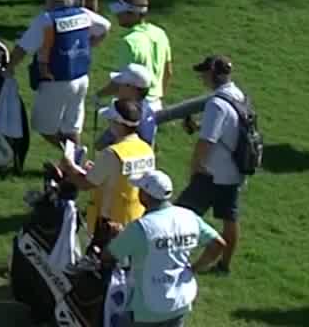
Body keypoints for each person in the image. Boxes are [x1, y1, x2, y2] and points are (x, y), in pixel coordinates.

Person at [102, 172, 228, 325]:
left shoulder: (141, 227)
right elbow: (218, 244)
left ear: (146, 196)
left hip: (146, 308)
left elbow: (109, 256)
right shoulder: (188, 216)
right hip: (180, 301)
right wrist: (194, 269)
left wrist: (119, 237)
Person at [5, 0, 110, 151]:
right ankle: (77, 161)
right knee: (72, 126)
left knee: (43, 127)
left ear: (51, 0)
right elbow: (105, 26)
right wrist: (91, 44)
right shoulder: (83, 13)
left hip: (56, 80)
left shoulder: (46, 20)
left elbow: (22, 48)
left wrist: (9, 68)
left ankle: (75, 157)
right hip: (81, 78)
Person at [174, 55, 249, 275]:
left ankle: (176, 260)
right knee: (230, 219)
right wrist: (198, 125)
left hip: (212, 173)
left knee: (180, 215)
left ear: (214, 74)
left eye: (204, 73)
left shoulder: (216, 104)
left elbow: (206, 142)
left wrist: (195, 167)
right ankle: (223, 265)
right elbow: (228, 127)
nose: (201, 77)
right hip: (234, 172)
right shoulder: (237, 95)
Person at [58, 97, 156, 244]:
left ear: (118, 123)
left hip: (110, 224)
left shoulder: (112, 153)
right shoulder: (146, 149)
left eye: (111, 121)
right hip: (137, 218)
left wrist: (69, 165)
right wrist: (96, 170)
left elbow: (85, 184)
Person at [103, 0, 172, 103]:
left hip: (136, 105)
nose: (117, 15)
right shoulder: (160, 33)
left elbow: (123, 81)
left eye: (121, 12)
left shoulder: (128, 42)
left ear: (133, 14)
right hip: (156, 103)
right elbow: (168, 71)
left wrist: (99, 95)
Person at [95, 65, 161, 148]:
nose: (117, 87)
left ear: (131, 88)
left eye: (121, 84)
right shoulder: (145, 110)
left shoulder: (129, 116)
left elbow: (104, 145)